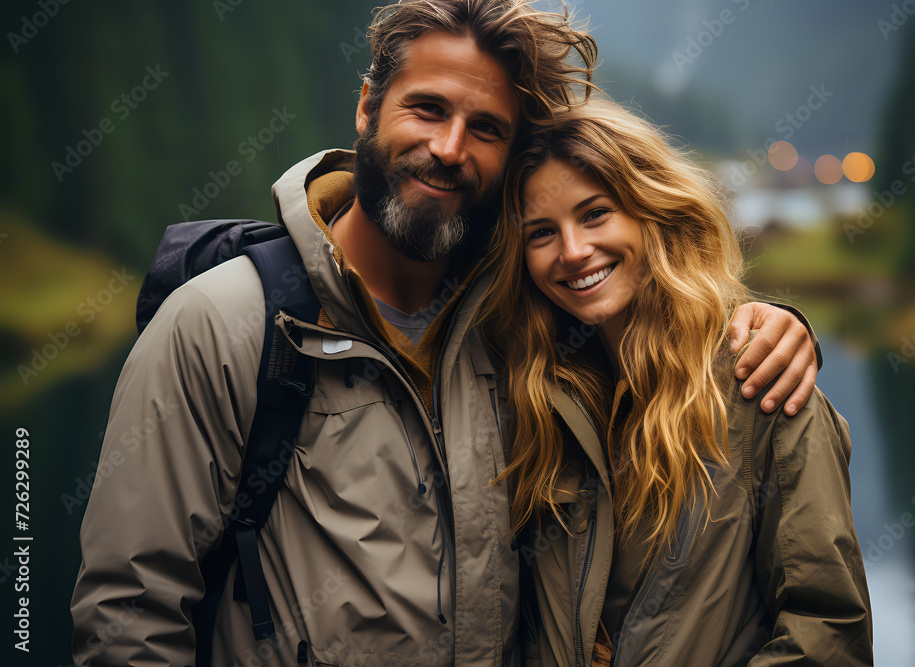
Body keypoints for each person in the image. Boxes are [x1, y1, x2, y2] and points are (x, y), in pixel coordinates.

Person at [70, 2, 822, 665]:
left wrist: (776, 327)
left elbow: (650, 330)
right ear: (368, 107)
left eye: (486, 128)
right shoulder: (221, 323)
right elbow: (127, 616)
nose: (451, 147)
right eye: (427, 108)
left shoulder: (521, 326)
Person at [480, 98, 873, 666]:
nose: (573, 251)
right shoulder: (537, 404)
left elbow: (828, 634)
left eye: (595, 214)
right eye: (542, 232)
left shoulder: (762, 387)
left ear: (651, 209)